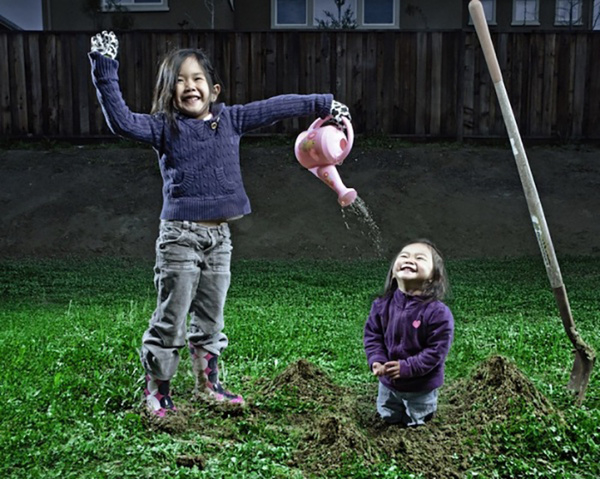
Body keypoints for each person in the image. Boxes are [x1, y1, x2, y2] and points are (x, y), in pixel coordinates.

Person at [88, 31, 351, 416]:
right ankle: (158, 391)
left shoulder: (231, 119)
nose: (188, 86)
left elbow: (275, 107)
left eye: (196, 79)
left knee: (211, 316)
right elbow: (122, 122)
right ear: (168, 92)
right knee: (171, 315)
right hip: (179, 237)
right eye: (179, 80)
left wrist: (324, 103)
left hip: (220, 238)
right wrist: (104, 67)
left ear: (214, 89)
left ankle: (208, 385)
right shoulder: (165, 128)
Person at [363, 239, 454, 426]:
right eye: (403, 256)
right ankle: (391, 422)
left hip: (420, 386)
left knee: (418, 419)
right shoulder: (381, 305)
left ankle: (415, 426)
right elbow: (373, 336)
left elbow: (436, 352)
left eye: (420, 258)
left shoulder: (438, 313)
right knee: (388, 413)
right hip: (388, 383)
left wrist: (407, 368)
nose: (409, 259)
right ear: (394, 274)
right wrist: (377, 360)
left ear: (432, 277)